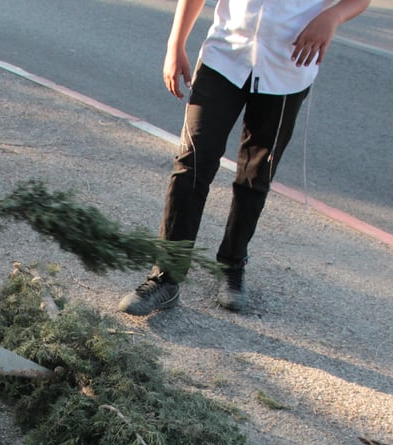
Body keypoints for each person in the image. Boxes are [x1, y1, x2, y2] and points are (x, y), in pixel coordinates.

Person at [118, 0, 370, 315]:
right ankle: (165, 279)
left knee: (255, 176)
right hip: (224, 57)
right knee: (191, 165)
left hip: (287, 69)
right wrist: (176, 43)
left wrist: (333, 15)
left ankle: (232, 265)